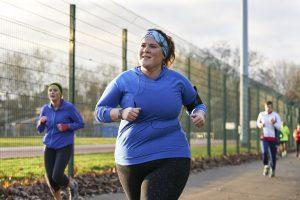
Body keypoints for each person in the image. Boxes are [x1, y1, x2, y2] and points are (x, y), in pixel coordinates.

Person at [95, 28, 206, 200]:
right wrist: (121, 112)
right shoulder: (124, 80)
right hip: (129, 159)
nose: (146, 49)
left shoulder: (177, 81)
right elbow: (100, 111)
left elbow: (196, 104)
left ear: (164, 54)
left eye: (152, 46)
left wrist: (199, 114)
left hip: (171, 155)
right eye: (143, 45)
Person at [37, 82, 84, 200]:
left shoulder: (68, 107)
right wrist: (41, 123)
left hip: (64, 145)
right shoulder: (45, 109)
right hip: (49, 146)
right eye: (50, 90)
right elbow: (40, 130)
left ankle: (72, 185)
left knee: (57, 175)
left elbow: (80, 123)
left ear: (60, 94)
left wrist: (67, 126)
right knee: (50, 179)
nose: (52, 92)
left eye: (55, 90)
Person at [257, 101, 281, 178]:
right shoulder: (261, 114)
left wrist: (274, 123)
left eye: (269, 107)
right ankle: (266, 166)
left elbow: (279, 126)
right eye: (266, 107)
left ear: (272, 108)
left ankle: (272, 170)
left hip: (273, 138)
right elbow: (258, 123)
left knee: (272, 155)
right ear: (265, 107)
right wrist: (261, 125)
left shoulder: (275, 115)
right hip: (264, 138)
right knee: (264, 152)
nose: (268, 108)